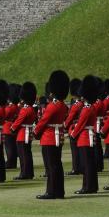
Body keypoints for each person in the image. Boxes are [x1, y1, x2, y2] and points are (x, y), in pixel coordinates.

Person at [34, 69, 69, 199]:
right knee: (56, 165)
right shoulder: (63, 106)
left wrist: (36, 132)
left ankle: (51, 191)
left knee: (51, 166)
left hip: (49, 138)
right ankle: (59, 191)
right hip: (57, 137)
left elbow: (43, 121)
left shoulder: (53, 106)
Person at [69, 75, 99, 194]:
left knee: (86, 164)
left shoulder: (87, 108)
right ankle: (92, 186)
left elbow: (81, 124)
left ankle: (87, 187)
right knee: (90, 164)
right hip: (88, 136)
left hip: (85, 137)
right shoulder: (90, 107)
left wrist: (73, 134)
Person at [11, 81, 38, 181]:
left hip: (23, 134)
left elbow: (18, 121)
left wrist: (12, 128)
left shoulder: (25, 109)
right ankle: (28, 172)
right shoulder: (31, 108)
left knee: (23, 155)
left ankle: (24, 173)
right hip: (27, 133)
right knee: (27, 154)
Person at [65, 78, 83, 177]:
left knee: (75, 150)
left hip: (74, 128)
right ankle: (80, 167)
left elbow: (70, 118)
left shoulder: (76, 105)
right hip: (81, 128)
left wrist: (65, 126)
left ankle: (76, 168)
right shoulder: (83, 103)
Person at [3, 84, 20, 171]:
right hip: (13, 128)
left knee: (9, 147)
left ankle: (10, 162)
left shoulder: (10, 108)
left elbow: (3, 115)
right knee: (12, 147)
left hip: (7, 128)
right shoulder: (17, 107)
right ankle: (12, 162)